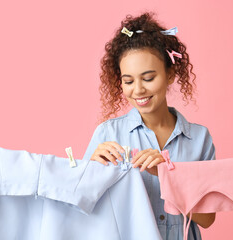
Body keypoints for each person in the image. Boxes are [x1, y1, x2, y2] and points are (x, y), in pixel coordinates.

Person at [82, 12, 216, 240]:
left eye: (148, 78)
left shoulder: (199, 138)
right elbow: (84, 206)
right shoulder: (107, 134)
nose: (138, 90)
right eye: (128, 81)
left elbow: (207, 218)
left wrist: (167, 177)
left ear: (170, 74)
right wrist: (90, 172)